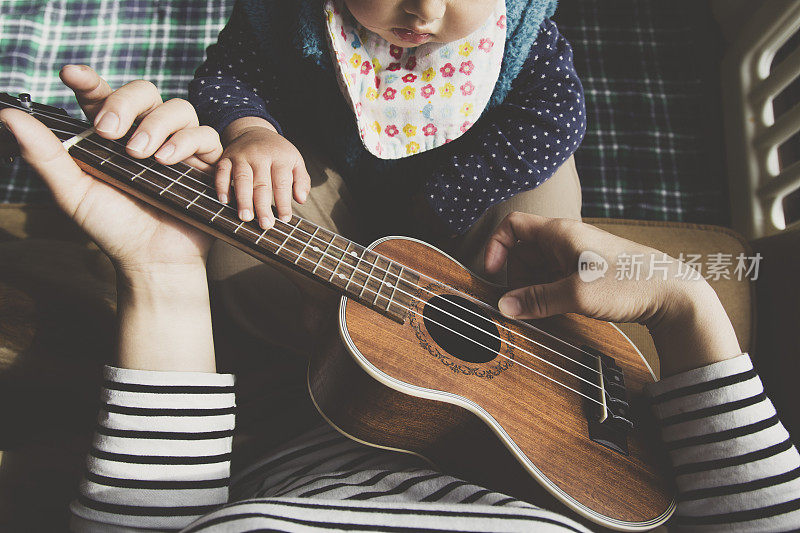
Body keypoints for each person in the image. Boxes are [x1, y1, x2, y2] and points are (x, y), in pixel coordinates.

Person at [1, 68, 798, 532]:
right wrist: (686, 301)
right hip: (563, 413)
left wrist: (163, 276)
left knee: (251, 270)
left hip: (279, 406)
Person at [189, 0, 586, 357]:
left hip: (465, 219)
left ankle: (495, 339)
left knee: (545, 202)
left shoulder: (520, 32)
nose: (424, 10)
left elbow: (556, 118)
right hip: (334, 216)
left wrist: (451, 198)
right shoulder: (281, 13)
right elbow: (229, 77)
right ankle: (347, 338)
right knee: (241, 214)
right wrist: (251, 131)